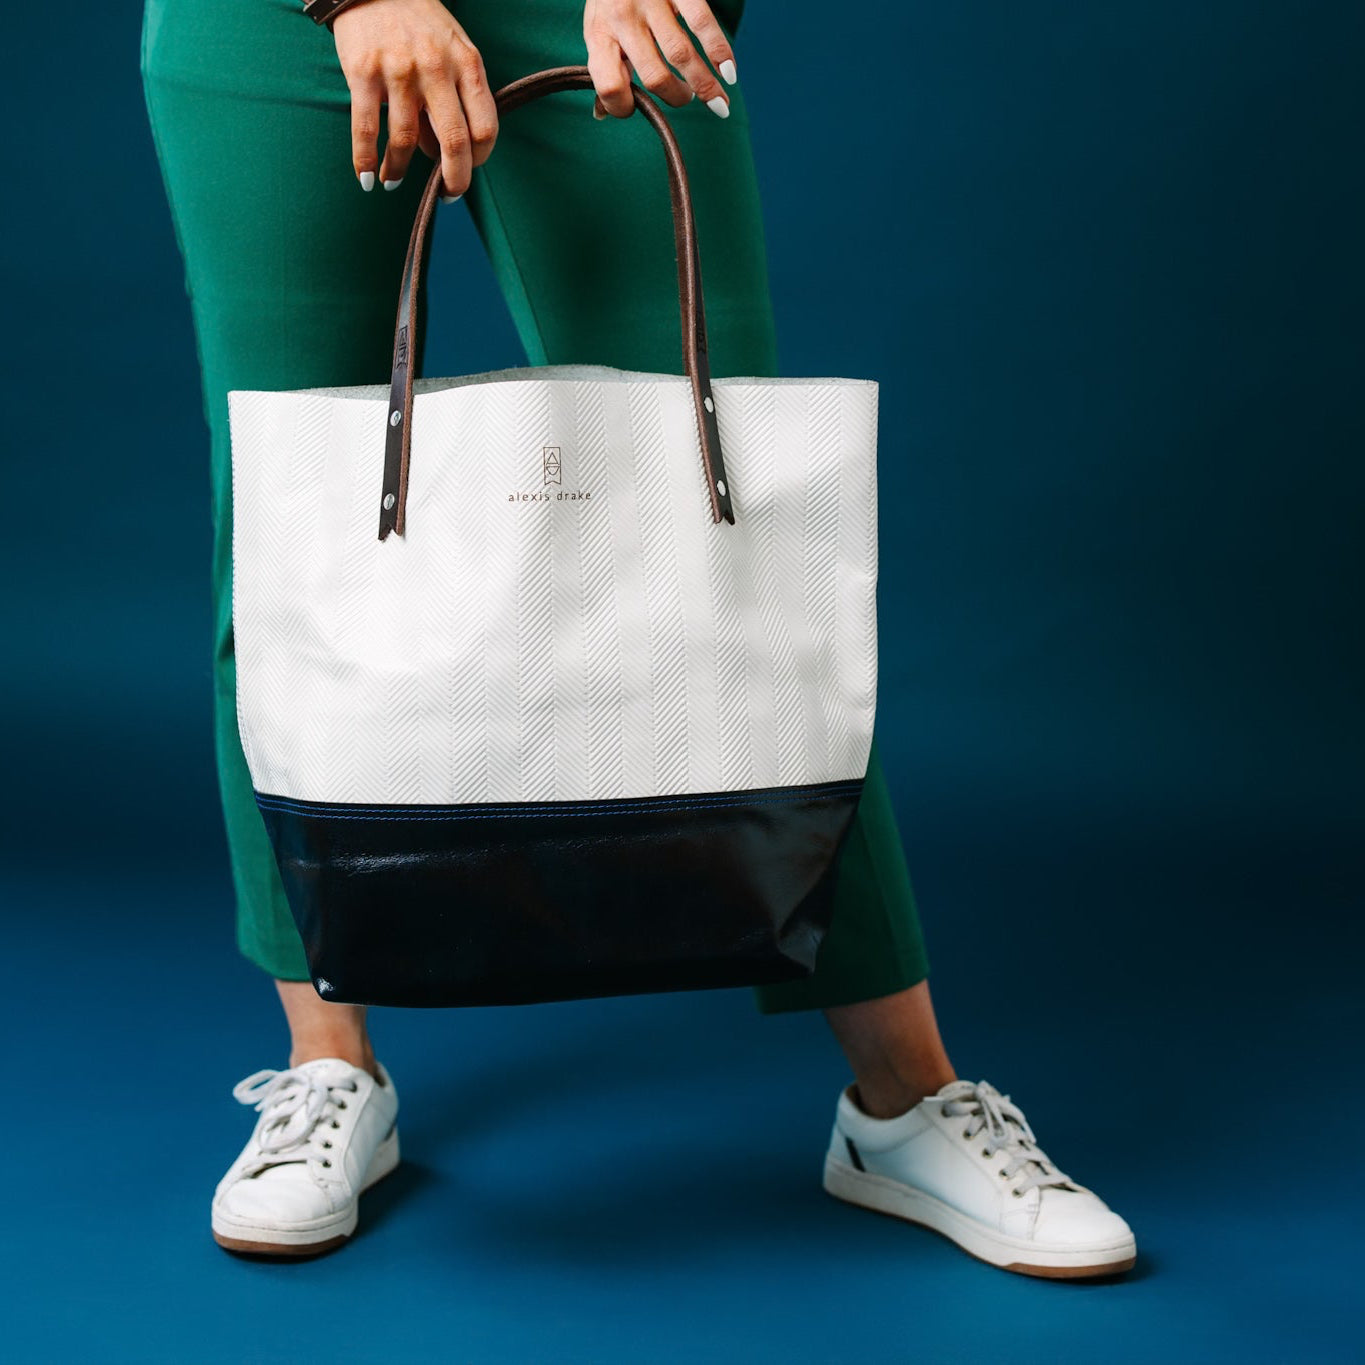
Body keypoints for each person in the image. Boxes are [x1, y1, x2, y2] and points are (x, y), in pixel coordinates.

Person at [139, 0, 1136, 1278]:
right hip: (273, 24)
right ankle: (328, 1072)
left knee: (747, 551)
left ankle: (905, 1101)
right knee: (291, 546)